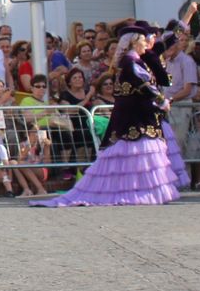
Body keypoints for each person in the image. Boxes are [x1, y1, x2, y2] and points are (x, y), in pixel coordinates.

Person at [35, 22, 180, 207]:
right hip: (133, 117)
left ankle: (140, 190)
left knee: (138, 155)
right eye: (143, 40)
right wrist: (161, 100)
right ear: (134, 42)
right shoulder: (130, 62)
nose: (146, 44)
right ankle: (134, 191)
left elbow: (156, 59)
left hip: (140, 115)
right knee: (135, 153)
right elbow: (142, 83)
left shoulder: (135, 60)